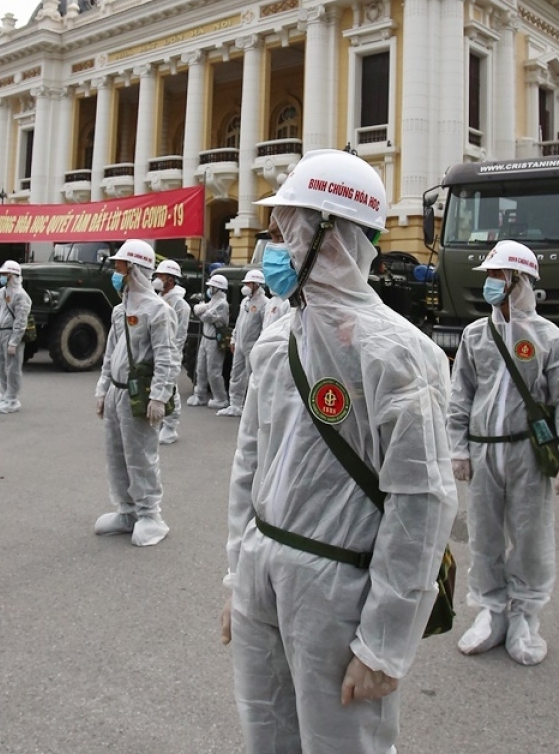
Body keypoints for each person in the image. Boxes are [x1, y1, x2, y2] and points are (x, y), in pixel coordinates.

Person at [224, 151, 456, 753]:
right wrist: (237, 579)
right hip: (262, 571)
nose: (272, 243)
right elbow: (249, 465)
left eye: (287, 227)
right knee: (265, 734)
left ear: (331, 234)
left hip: (338, 591)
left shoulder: (399, 354)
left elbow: (421, 505)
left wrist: (384, 643)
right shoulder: (278, 340)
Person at [447, 240, 559, 666]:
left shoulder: (549, 338)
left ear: (520, 281)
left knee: (530, 536)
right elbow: (461, 396)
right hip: (485, 452)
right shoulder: (475, 335)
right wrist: (458, 448)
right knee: (486, 534)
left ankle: (525, 616)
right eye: (489, 275)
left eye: (498, 276)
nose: (491, 283)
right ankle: (491, 611)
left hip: (528, 453)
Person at [93, 240, 178, 547]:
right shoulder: (120, 310)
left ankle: (149, 515)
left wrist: (159, 395)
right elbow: (110, 353)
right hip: (116, 393)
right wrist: (102, 390)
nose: (116, 272)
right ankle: (127, 510)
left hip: (138, 395)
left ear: (135, 269)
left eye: (120, 266)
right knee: (116, 454)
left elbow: (167, 356)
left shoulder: (158, 311)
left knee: (140, 456)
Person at [218, 269, 267, 418]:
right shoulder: (245, 301)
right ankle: (235, 404)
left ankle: (252, 408)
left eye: (248, 283)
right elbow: (240, 322)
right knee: (236, 374)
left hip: (253, 345)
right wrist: (234, 339)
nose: (245, 286)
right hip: (240, 344)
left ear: (256, 284)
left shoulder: (264, 303)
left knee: (252, 376)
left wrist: (260, 346)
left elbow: (265, 326)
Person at [153, 259, 191, 445]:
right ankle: (159, 422)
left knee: (171, 388)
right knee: (157, 386)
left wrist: (171, 356)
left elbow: (179, 335)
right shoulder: (158, 299)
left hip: (170, 352)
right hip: (155, 350)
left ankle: (170, 427)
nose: (158, 279)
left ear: (171, 279)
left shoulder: (181, 305)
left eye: (161, 276)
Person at [0, 260, 32, 414]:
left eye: (5, 274)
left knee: (12, 367)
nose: (2, 277)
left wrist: (14, 341)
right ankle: (4, 394)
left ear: (13, 276)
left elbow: (21, 320)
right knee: (1, 366)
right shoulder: (1, 293)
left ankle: (12, 398)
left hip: (11, 333)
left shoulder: (21, 296)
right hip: (0, 332)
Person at [187, 272, 230, 409]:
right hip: (206, 339)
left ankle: (220, 397)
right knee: (201, 368)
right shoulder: (213, 302)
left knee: (213, 371)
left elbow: (206, 316)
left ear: (218, 288)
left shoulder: (222, 304)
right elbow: (199, 309)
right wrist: (201, 310)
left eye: (212, 287)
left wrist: (201, 310)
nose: (210, 289)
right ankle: (199, 395)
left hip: (214, 341)